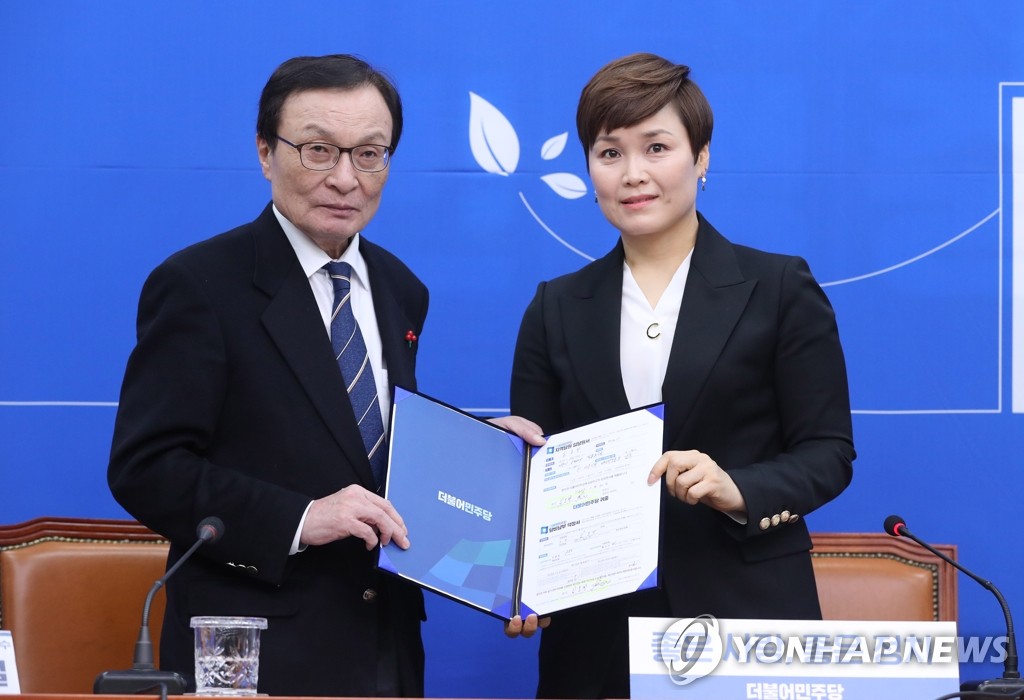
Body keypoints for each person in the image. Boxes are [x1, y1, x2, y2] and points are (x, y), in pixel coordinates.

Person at [108, 54, 542, 698]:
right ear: (265, 152)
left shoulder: (399, 288)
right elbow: (147, 468)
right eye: (318, 150)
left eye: (369, 154)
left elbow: (364, 449)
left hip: (385, 645)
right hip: (254, 650)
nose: (345, 178)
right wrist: (300, 517)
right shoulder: (200, 285)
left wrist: (479, 456)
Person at [509, 52, 855, 699]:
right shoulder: (555, 307)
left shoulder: (779, 287)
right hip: (595, 639)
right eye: (609, 153)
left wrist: (737, 488)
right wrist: (518, 573)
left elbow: (829, 453)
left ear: (701, 157)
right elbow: (536, 475)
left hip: (747, 617)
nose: (633, 174)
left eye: (657, 147)